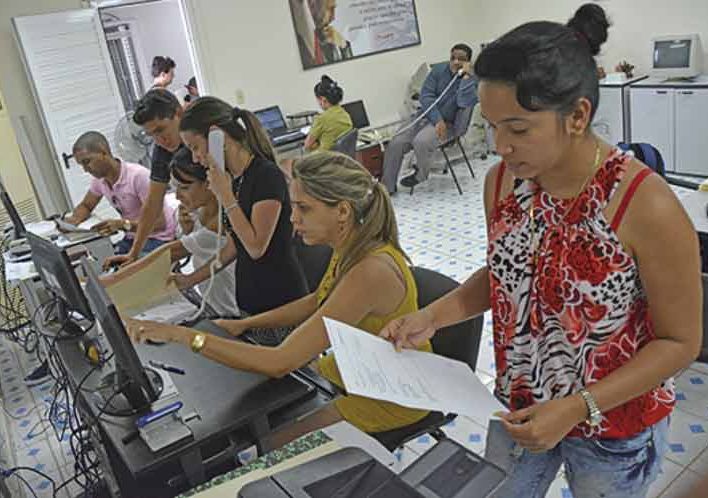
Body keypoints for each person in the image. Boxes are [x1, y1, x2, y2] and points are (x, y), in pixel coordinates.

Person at [381, 13, 701, 498]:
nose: (500, 146)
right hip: (520, 405)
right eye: (491, 127)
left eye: (518, 128)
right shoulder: (504, 183)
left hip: (612, 424)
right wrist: (434, 315)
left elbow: (679, 342)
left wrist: (578, 406)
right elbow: (509, 275)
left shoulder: (644, 203)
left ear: (577, 116)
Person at [127, 152, 431, 439]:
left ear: (342, 211)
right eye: (294, 206)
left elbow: (280, 361)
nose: (293, 219)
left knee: (271, 441)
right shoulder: (350, 248)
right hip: (357, 368)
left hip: (390, 392)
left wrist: (184, 337)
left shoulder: (370, 269)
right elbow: (317, 301)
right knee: (269, 400)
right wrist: (246, 325)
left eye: (304, 208)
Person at [177, 96, 307, 314]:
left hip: (280, 303)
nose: (196, 158)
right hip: (250, 302)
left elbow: (256, 247)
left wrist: (225, 196)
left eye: (195, 147)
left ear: (217, 135)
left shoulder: (266, 176)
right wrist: (190, 279)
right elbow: (233, 247)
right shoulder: (233, 179)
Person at [102, 147, 238, 318]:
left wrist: (107, 283)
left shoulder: (223, 220)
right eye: (175, 188)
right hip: (214, 304)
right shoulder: (197, 212)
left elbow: (172, 251)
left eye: (184, 187)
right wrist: (187, 228)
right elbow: (188, 241)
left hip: (232, 312)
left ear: (210, 182)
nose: (178, 196)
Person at [104, 89, 186, 269]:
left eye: (161, 129)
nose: (160, 139)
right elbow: (152, 203)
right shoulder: (161, 151)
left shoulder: (203, 138)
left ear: (179, 113)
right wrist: (133, 253)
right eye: (152, 135)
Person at [382, 43, 478, 193]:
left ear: (468, 62)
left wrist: (466, 78)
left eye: (461, 59)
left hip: (450, 124)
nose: (456, 62)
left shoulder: (471, 80)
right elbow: (426, 96)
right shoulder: (438, 71)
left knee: (421, 141)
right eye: (453, 58)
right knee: (396, 142)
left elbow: (464, 102)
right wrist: (437, 119)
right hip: (427, 117)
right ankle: (387, 187)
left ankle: (421, 174)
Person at [65, 131, 177, 255]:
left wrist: (123, 225)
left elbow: (159, 223)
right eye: (82, 165)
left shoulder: (138, 176)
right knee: (104, 263)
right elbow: (86, 205)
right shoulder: (100, 180)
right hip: (133, 236)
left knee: (125, 271)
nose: (86, 170)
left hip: (158, 237)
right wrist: (73, 221)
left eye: (87, 162)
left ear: (103, 152)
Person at [304, 75, 353, 152]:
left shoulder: (321, 119)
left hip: (326, 159)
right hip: (343, 159)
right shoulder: (345, 114)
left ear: (323, 99)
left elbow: (307, 145)